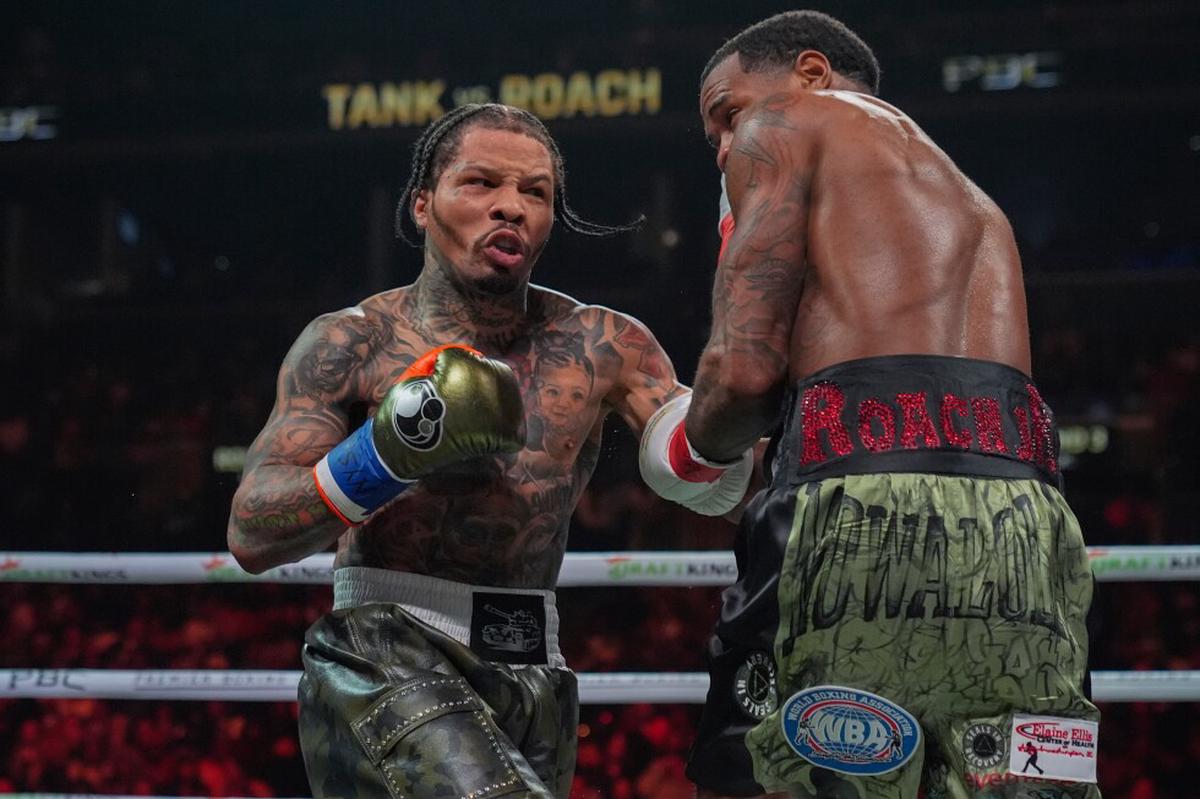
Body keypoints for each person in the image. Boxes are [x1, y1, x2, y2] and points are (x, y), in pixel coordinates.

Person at [639, 11, 1099, 799]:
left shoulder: (785, 125)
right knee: (1020, 784)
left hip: (861, 515)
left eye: (726, 113)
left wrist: (689, 452)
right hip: (1031, 529)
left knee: (769, 775)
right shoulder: (977, 206)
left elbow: (744, 373)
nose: (723, 145)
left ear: (811, 72)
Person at [227, 103, 696, 799]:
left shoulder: (605, 344)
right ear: (422, 205)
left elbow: (708, 465)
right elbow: (251, 531)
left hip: (534, 659)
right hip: (384, 648)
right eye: (480, 182)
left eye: (535, 191)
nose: (510, 206)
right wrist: (385, 454)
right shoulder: (351, 342)